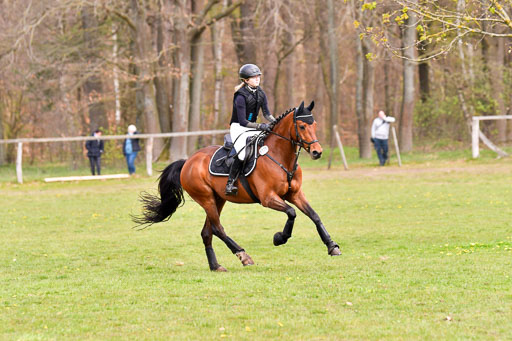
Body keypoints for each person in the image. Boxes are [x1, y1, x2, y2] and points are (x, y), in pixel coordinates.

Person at [225, 64, 276, 196]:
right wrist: (260, 126)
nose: (257, 79)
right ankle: (230, 183)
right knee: (242, 154)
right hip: (238, 127)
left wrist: (276, 122)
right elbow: (242, 121)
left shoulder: (261, 93)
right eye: (253, 77)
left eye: (258, 76)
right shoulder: (240, 96)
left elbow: (266, 114)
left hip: (252, 126)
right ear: (246, 80)